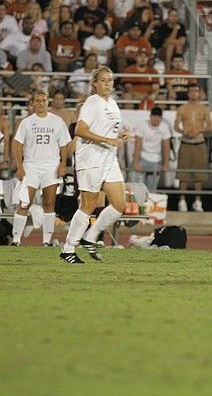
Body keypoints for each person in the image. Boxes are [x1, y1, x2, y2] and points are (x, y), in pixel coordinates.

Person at [60, 66, 129, 264]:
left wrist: (119, 135)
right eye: (104, 80)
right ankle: (68, 249)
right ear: (95, 83)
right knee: (88, 205)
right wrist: (108, 141)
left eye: (110, 80)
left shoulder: (113, 103)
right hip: (91, 159)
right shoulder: (92, 102)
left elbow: (107, 130)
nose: (108, 83)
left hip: (109, 159)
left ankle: (90, 236)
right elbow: (80, 130)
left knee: (119, 205)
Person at [11, 90, 71, 246]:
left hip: (51, 166)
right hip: (31, 165)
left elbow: (64, 144)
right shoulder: (26, 122)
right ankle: (16, 240)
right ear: (33, 103)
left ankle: (46, 241)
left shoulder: (57, 121)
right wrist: (20, 166)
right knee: (24, 202)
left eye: (43, 100)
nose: (40, 103)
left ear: (47, 102)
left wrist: (63, 164)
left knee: (49, 204)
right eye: (37, 100)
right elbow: (17, 145)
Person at [174, 84, 212, 212]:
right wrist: (183, 131)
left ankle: (197, 201)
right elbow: (176, 126)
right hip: (185, 143)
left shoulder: (205, 109)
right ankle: (182, 200)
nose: (194, 93)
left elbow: (210, 127)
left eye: (196, 91)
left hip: (199, 143)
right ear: (188, 93)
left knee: (199, 175)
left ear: (200, 93)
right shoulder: (182, 108)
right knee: (183, 174)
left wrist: (198, 130)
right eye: (191, 91)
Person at [132, 107, 171, 192]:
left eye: (158, 117)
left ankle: (148, 204)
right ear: (150, 116)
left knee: (151, 189)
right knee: (138, 188)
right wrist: (136, 162)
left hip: (156, 160)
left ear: (161, 118)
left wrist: (166, 163)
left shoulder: (164, 127)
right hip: (142, 158)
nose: (156, 119)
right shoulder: (142, 125)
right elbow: (138, 145)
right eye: (154, 116)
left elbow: (166, 146)